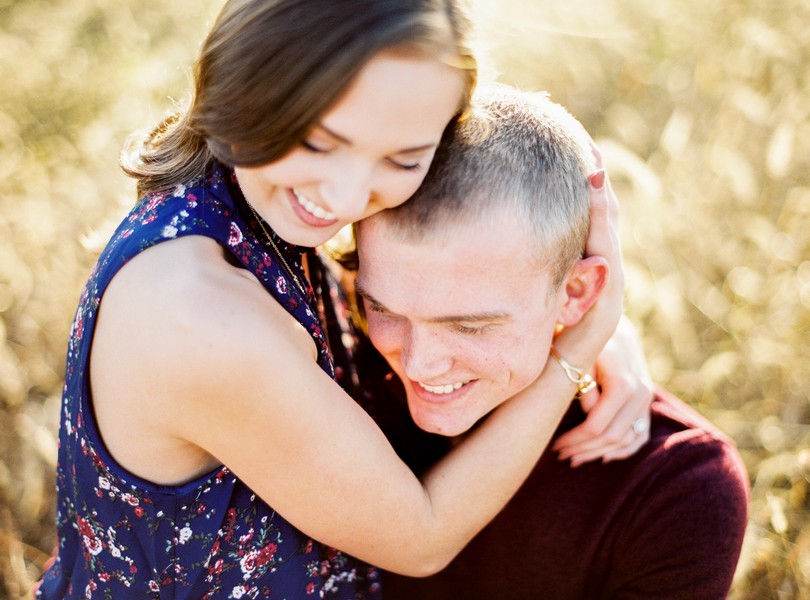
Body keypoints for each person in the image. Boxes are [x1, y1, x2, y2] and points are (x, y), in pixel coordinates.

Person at [37, 2, 647, 598]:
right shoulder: (199, 317)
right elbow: (422, 537)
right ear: (242, 84)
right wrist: (580, 343)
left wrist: (546, 314)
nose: (349, 196)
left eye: (403, 158)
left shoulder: (253, 196)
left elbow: (445, 268)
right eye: (320, 141)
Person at [349, 84, 749, 599]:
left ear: (578, 293)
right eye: (382, 308)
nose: (420, 364)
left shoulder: (676, 488)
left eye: (469, 326)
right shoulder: (327, 361)